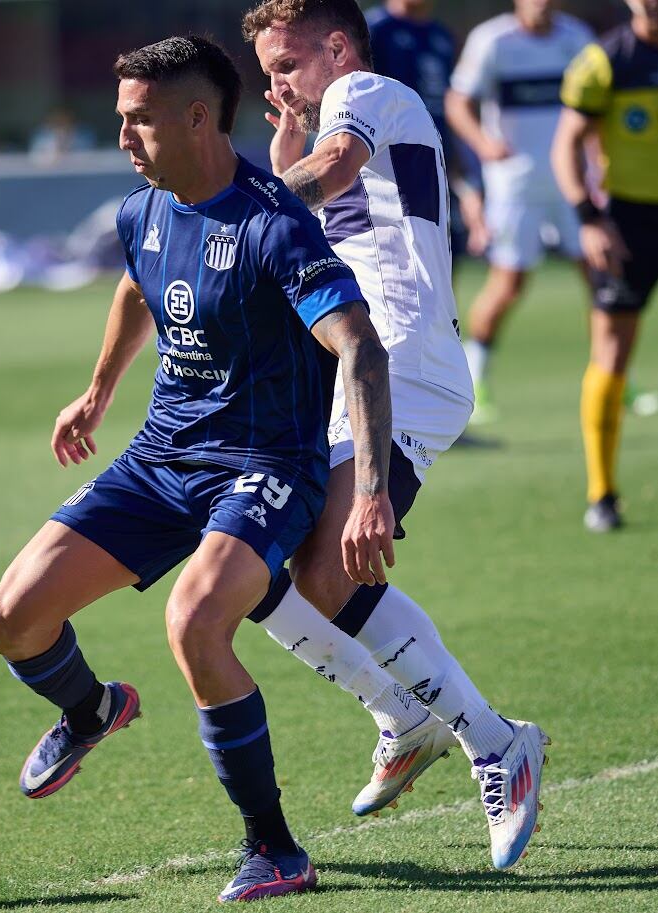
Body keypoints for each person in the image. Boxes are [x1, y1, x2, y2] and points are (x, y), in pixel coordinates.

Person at [0, 34, 395, 903]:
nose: (123, 137)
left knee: (195, 619)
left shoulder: (273, 225)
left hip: (263, 462)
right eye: (121, 119)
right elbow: (137, 283)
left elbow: (357, 346)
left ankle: (275, 847)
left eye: (139, 121)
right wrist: (96, 393)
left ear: (199, 117)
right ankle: (91, 708)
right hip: (160, 457)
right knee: (12, 618)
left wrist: (369, 493)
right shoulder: (143, 209)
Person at [240, 0, 550, 870]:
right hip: (341, 366)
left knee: (329, 570)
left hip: (401, 358)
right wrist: (276, 160)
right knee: (244, 563)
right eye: (266, 71)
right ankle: (400, 713)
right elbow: (310, 189)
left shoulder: (371, 89)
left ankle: (493, 742)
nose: (276, 83)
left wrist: (237, 203)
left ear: (337, 48)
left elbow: (333, 170)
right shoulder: (331, 113)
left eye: (286, 62)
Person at [446, 0, 594, 422]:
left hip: (572, 181)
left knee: (601, 277)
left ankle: (613, 374)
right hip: (515, 184)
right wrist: (484, 144)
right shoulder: (493, 40)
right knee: (509, 282)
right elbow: (459, 102)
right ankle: (477, 380)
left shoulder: (576, 37)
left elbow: (599, 105)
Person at [552, 0, 658, 530]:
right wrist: (590, 219)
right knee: (613, 354)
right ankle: (603, 494)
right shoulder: (605, 61)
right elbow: (565, 146)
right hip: (628, 224)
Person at [366, 0, 488, 260]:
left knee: (444, 261)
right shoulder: (372, 30)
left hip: (435, 165)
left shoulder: (441, 36)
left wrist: (465, 184)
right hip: (389, 171)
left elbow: (447, 113)